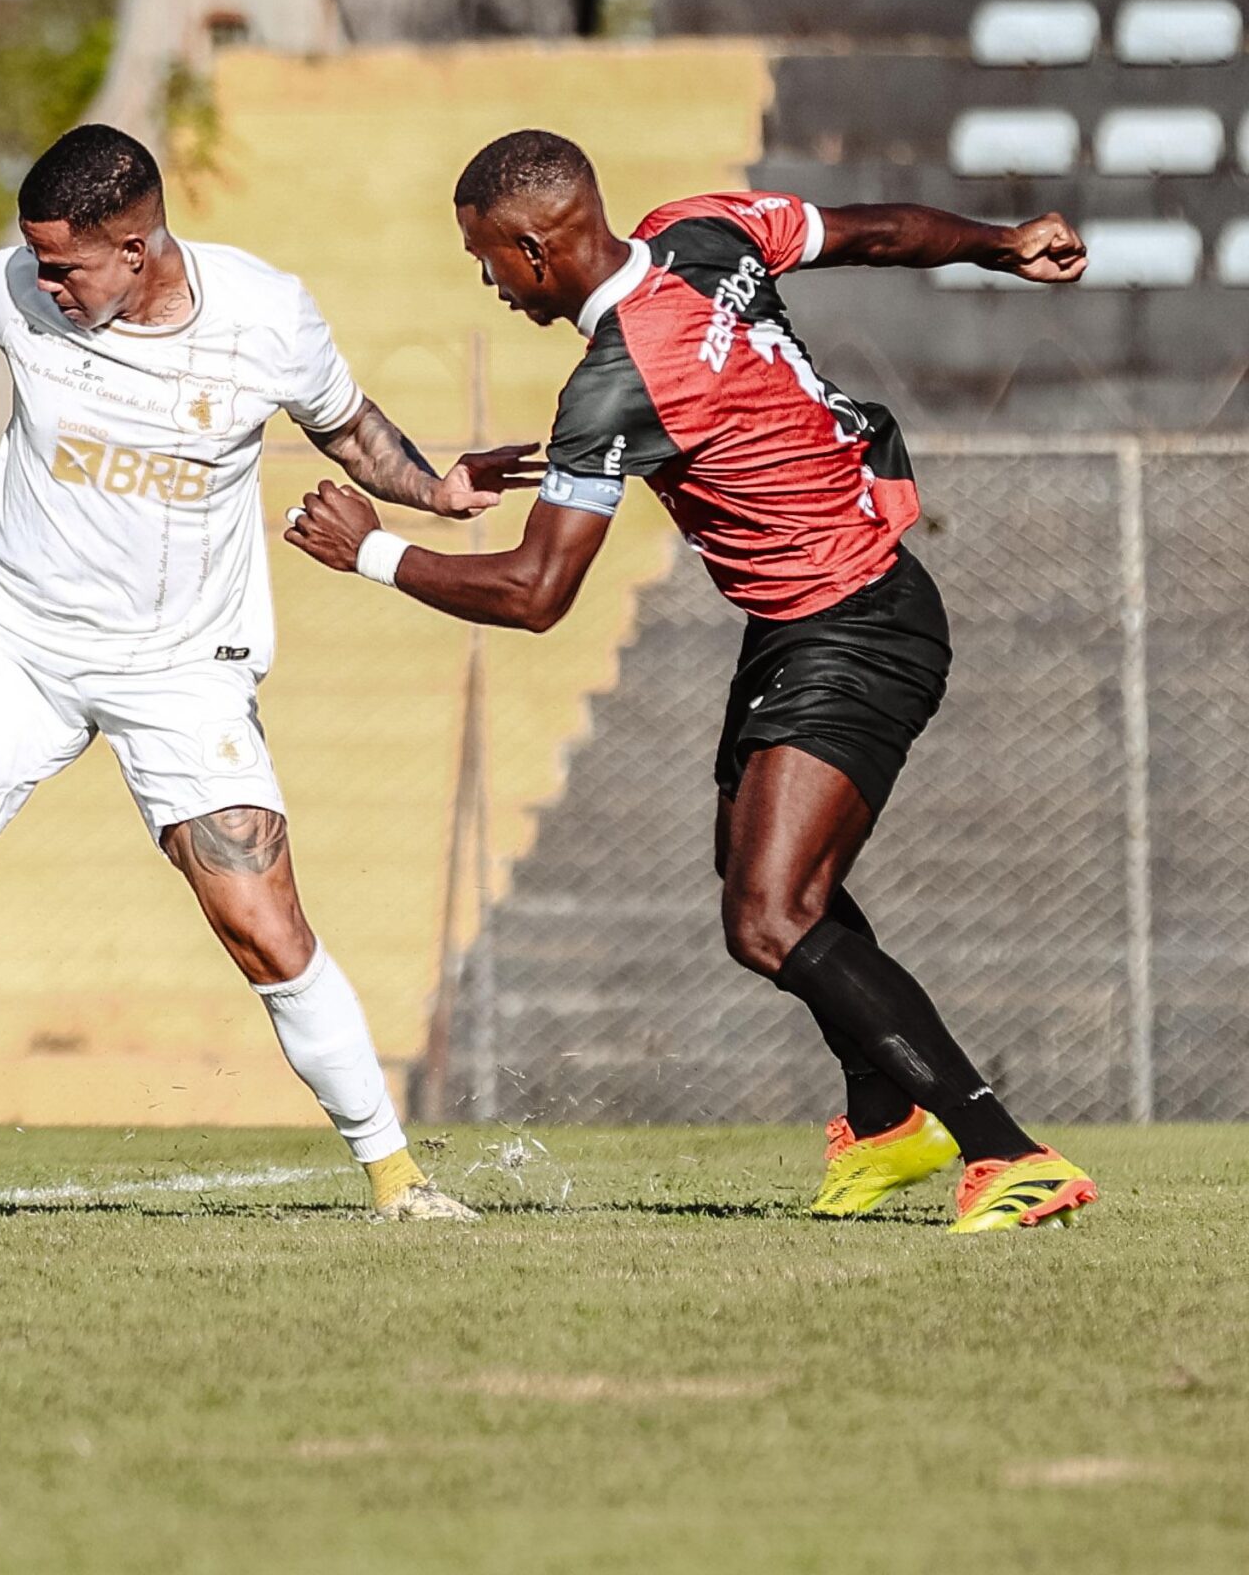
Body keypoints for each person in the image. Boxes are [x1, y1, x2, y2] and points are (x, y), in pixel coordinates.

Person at [0, 123, 535, 1226]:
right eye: (34, 260)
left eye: (65, 265)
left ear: (136, 245)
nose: (44, 282)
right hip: (13, 638)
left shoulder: (264, 313)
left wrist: (436, 493)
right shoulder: (23, 290)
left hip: (180, 669)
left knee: (263, 924)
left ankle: (398, 1179)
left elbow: (346, 425)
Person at [284, 128, 1099, 1234]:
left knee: (769, 917)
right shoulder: (698, 230)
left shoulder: (613, 378)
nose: (484, 281)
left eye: (484, 257)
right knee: (758, 877)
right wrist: (1000, 245)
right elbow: (876, 231)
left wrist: (373, 551)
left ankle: (1005, 1150)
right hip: (811, 617)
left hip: (853, 625)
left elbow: (535, 591)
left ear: (532, 248)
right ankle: (882, 1118)